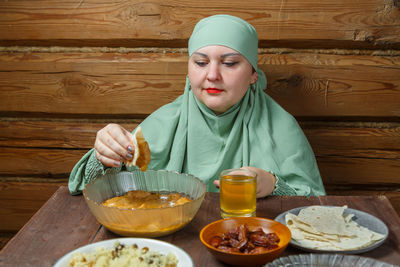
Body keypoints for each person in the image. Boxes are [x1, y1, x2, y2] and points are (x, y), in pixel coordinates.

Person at [69, 14, 326, 197]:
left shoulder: (281, 127)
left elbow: (316, 207)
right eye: (201, 63)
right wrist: (103, 155)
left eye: (229, 63)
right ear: (189, 71)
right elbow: (94, 189)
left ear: (253, 74)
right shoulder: (164, 122)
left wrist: (273, 184)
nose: (212, 75)